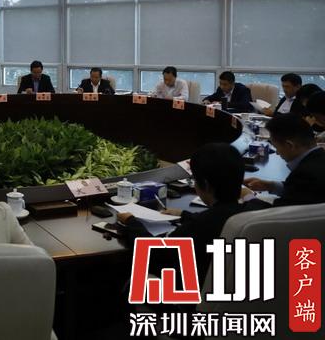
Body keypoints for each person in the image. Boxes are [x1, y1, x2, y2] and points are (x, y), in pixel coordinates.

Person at [118, 143, 265, 281]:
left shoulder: (199, 226)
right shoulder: (257, 212)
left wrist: (131, 222)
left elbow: (153, 252)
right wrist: (184, 215)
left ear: (205, 184)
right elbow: (222, 216)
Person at [244, 113, 325, 206]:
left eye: (276, 147)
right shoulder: (319, 158)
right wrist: (270, 186)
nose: (277, 153)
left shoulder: (306, 174)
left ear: (290, 145)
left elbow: (277, 212)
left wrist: (247, 196)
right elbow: (301, 191)